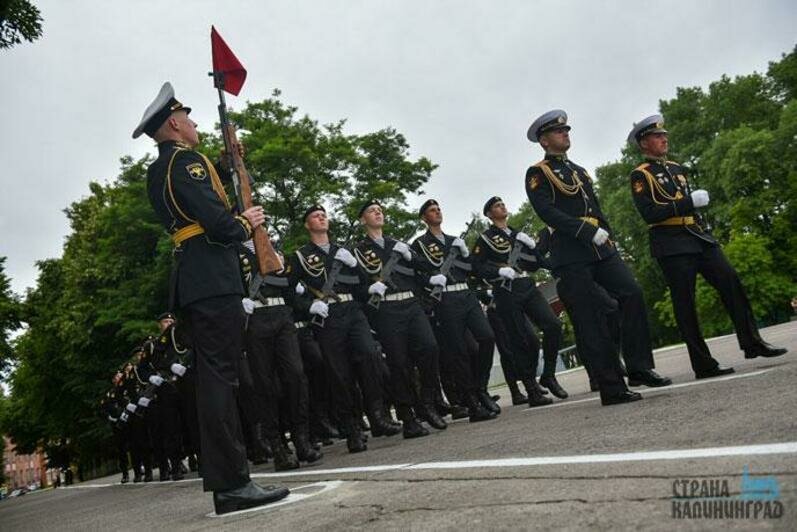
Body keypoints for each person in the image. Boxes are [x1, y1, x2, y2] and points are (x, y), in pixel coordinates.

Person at [134, 81, 288, 514]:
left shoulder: (159, 168)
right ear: (174, 124)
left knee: (215, 378)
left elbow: (195, 208)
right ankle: (233, 483)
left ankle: (229, 480)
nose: (197, 123)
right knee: (222, 379)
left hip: (194, 276)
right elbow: (219, 225)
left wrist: (229, 162)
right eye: (189, 118)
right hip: (212, 275)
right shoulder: (188, 162)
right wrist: (245, 221)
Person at [525, 110, 671, 406]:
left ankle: (639, 366)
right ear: (544, 140)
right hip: (571, 251)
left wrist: (607, 233)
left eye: (566, 129)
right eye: (558, 131)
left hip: (600, 246)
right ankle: (611, 386)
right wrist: (583, 230)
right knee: (590, 318)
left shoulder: (578, 170)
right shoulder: (538, 173)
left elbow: (595, 205)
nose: (566, 133)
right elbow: (547, 212)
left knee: (631, 292)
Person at [627, 114, 787, 377]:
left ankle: (752, 342)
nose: (664, 139)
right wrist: (688, 203)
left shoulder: (677, 168)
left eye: (664, 135)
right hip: (671, 242)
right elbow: (650, 214)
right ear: (644, 143)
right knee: (686, 304)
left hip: (697, 235)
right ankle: (703, 363)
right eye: (657, 136)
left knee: (730, 280)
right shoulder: (640, 175)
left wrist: (702, 223)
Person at [290, 204, 401, 453]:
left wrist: (360, 271)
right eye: (315, 216)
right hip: (328, 317)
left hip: (353, 312)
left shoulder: (344, 251)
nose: (321, 218)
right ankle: (352, 429)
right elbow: (289, 292)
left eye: (324, 215)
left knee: (370, 357)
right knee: (340, 374)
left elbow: (360, 285)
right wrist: (309, 306)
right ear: (308, 225)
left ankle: (378, 416)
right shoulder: (300, 256)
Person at [471, 196, 564, 405]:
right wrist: (498, 270)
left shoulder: (517, 235)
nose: (502, 206)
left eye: (503, 203)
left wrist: (535, 247)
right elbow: (476, 266)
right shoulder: (485, 238)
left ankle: (548, 374)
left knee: (553, 325)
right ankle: (532, 390)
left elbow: (537, 263)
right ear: (489, 214)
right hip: (506, 290)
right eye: (497, 205)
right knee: (521, 340)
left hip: (527, 285)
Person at [412, 199, 498, 422]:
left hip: (466, 294)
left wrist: (466, 254)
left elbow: (471, 269)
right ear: (424, 218)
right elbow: (416, 273)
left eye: (439, 208)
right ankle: (471, 402)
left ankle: (481, 387)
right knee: (458, 352)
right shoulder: (419, 244)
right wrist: (431, 279)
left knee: (487, 337)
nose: (437, 212)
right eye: (432, 210)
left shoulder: (454, 241)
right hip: (446, 299)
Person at [239, 242, 322, 469]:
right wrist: (235, 305)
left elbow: (289, 286)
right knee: (266, 386)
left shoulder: (270, 247)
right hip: (254, 319)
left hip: (282, 315)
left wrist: (305, 299)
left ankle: (302, 440)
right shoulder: (230, 250)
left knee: (296, 376)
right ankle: (278, 447)